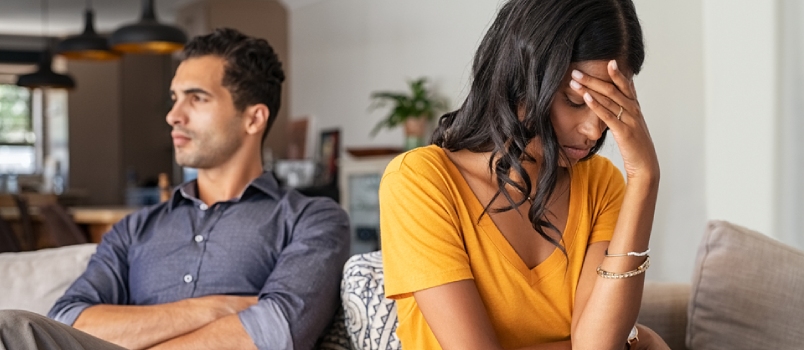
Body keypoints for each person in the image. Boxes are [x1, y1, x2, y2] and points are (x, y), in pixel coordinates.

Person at [0, 28, 350, 350]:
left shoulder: (313, 219)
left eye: (196, 99)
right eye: (174, 97)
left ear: (253, 118)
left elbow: (276, 329)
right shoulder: (135, 229)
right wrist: (217, 307)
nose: (173, 115)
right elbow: (68, 321)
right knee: (12, 329)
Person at [379, 0, 670, 349]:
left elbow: (597, 345)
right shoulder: (419, 182)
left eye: (610, 104)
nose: (594, 130)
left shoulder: (600, 183)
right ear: (520, 77)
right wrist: (638, 342)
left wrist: (644, 176)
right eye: (575, 102)